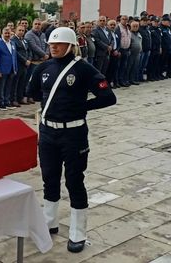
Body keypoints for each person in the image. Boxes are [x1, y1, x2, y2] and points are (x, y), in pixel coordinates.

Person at [27, 27, 116, 253]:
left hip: (73, 133)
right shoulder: (44, 67)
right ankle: (50, 222)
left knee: (74, 181)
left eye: (58, 44)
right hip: (48, 132)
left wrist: (82, 106)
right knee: (49, 178)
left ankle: (78, 232)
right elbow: (34, 92)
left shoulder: (84, 69)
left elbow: (108, 97)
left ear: (71, 45)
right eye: (51, 44)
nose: (54, 47)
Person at [0, 28, 18, 110]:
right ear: (2, 34)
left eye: (9, 33)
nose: (7, 35)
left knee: (9, 86)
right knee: (1, 87)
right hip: (2, 69)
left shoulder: (12, 43)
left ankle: (7, 101)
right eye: (6, 33)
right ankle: (1, 103)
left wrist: (15, 68)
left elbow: (14, 56)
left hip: (11, 68)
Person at [11, 25, 32, 105]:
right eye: (19, 30)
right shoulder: (13, 40)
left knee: (22, 82)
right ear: (16, 31)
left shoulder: (24, 40)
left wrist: (29, 59)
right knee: (15, 83)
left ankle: (20, 98)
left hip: (26, 65)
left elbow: (29, 50)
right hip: (18, 64)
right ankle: (13, 99)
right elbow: (15, 52)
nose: (21, 32)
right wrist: (24, 60)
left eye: (23, 31)